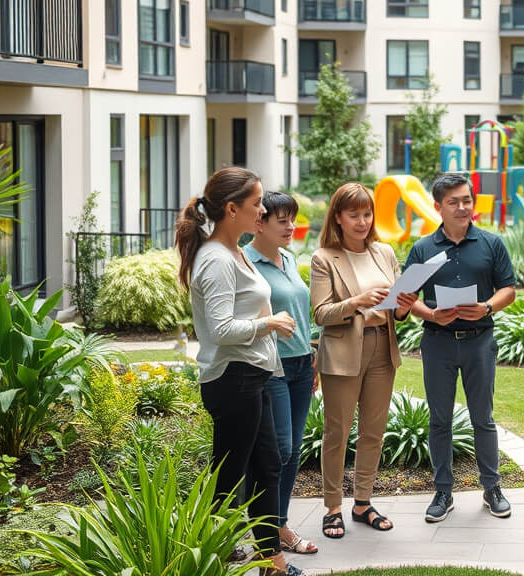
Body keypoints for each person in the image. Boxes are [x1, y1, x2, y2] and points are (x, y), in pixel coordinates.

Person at [176, 167, 302, 576]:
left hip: (254, 374)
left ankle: (272, 563)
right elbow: (219, 330)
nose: (263, 210)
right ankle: (201, 554)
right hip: (232, 380)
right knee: (230, 474)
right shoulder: (215, 259)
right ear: (232, 210)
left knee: (266, 466)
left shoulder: (237, 250)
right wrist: (270, 324)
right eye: (256, 204)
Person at [402, 173, 517, 523]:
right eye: (453, 202)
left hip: (480, 342)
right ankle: (442, 491)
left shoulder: (491, 243)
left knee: (483, 418)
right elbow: (405, 300)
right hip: (437, 344)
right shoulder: (423, 248)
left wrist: (486, 307)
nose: (463, 206)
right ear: (438, 207)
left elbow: (508, 289)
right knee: (439, 421)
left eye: (467, 199)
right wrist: (431, 315)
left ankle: (492, 488)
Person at [310, 183, 416, 540]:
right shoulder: (323, 257)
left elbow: (397, 309)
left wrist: (402, 306)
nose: (362, 221)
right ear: (338, 217)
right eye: (353, 214)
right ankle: (332, 508)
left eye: (367, 213)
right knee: (337, 432)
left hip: (382, 349)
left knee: (373, 431)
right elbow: (321, 313)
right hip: (342, 353)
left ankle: (363, 503)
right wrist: (357, 301)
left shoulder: (384, 252)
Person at [244, 191, 318, 556]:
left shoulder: (288, 257)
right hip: (272, 367)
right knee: (280, 450)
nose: (291, 227)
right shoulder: (246, 261)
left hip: (303, 364)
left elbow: (299, 309)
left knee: (293, 450)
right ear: (260, 223)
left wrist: (312, 350)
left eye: (293, 219)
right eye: (282, 220)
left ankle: (278, 524)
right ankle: (267, 530)